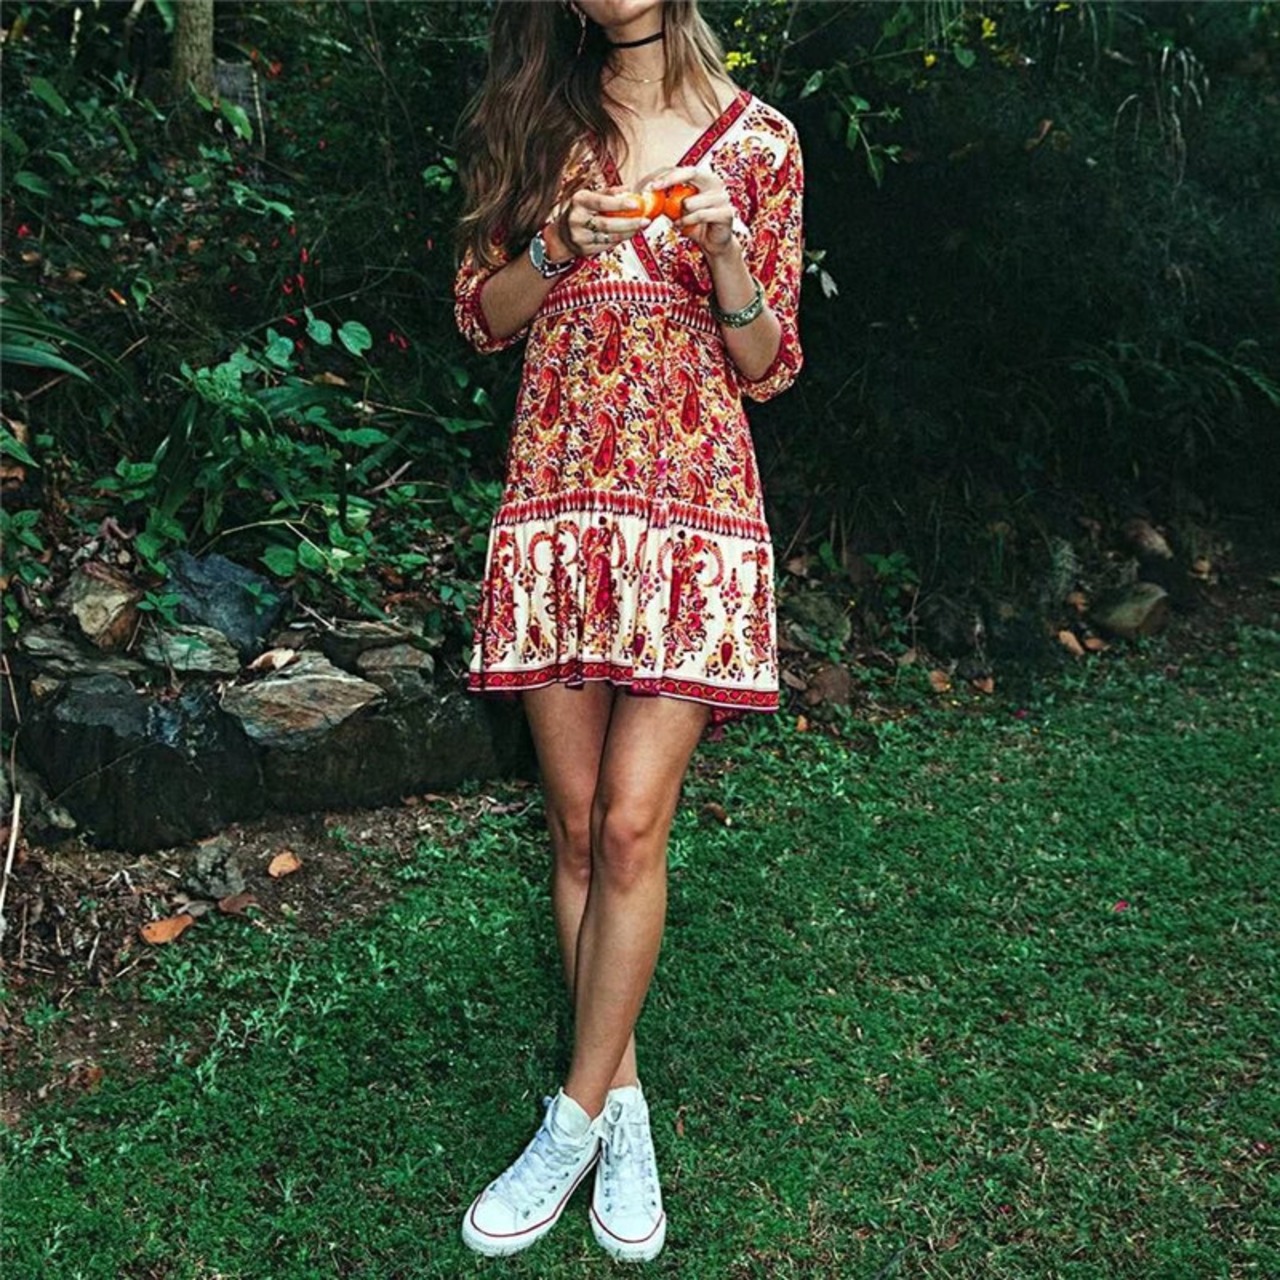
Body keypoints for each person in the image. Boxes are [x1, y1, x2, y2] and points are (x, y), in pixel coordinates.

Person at [452, 0, 803, 1262]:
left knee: (629, 823)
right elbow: (481, 316)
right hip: (559, 500)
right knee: (571, 824)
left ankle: (568, 1121)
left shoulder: (759, 143)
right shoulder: (534, 121)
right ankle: (624, 1098)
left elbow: (767, 363)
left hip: (691, 512)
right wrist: (552, 247)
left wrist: (724, 254)